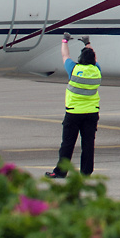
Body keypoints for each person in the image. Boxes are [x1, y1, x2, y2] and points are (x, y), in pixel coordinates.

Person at [45, 33, 101, 178]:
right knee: (88, 145)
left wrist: (65, 41)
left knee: (67, 145)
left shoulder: (74, 69)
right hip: (91, 113)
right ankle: (86, 173)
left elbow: (65, 55)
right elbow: (94, 58)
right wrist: (87, 43)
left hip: (74, 113)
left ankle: (61, 172)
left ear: (80, 59)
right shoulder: (97, 71)